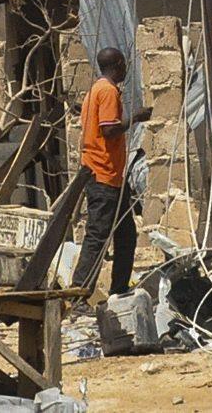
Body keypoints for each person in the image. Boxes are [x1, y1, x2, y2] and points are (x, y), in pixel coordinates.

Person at [73, 47, 154, 299]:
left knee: (126, 234)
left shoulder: (95, 90)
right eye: (125, 65)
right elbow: (109, 130)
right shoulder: (107, 91)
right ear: (118, 64)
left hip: (112, 178)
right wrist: (136, 117)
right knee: (97, 237)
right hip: (104, 176)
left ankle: (119, 288)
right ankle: (78, 293)